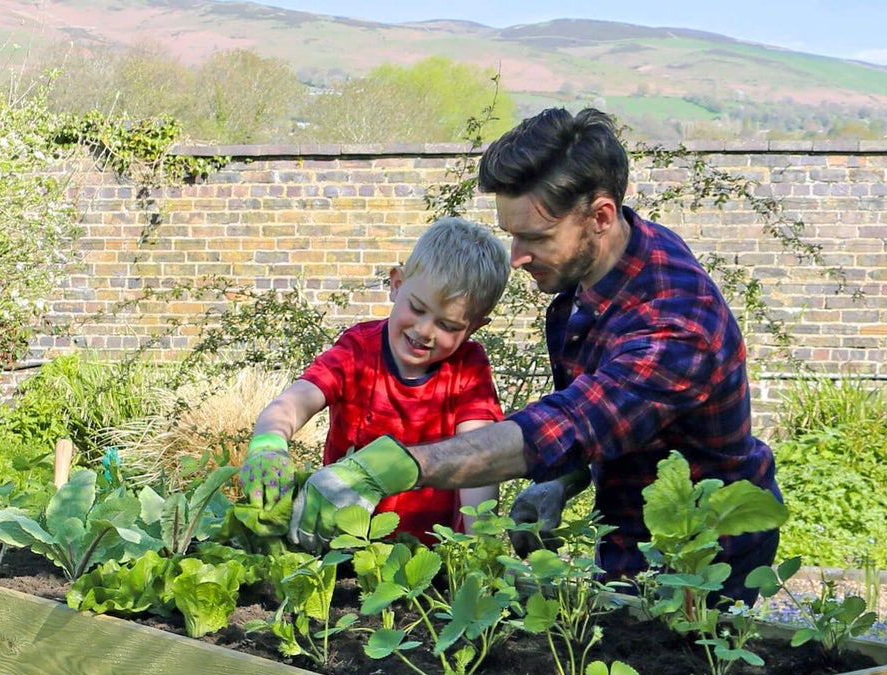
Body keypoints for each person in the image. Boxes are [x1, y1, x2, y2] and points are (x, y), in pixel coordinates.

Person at [283, 107, 781, 603]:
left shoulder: (678, 322)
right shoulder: (606, 268)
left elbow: (572, 422)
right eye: (512, 233)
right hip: (630, 535)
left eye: (536, 237)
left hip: (704, 554)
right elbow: (611, 417)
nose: (517, 256)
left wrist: (383, 467)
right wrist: (561, 482)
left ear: (601, 217)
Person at [236, 215, 511, 544]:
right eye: (417, 308)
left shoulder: (467, 368)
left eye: (448, 326)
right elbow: (294, 402)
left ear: (474, 327)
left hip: (428, 555)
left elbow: (478, 455)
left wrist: (480, 542)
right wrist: (268, 445)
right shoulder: (358, 350)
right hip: (340, 543)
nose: (425, 331)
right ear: (397, 284)